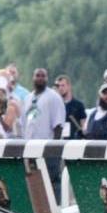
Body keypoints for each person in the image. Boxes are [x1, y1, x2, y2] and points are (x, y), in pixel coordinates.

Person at [20, 68, 66, 200]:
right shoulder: (28, 98)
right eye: (37, 76)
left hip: (48, 148)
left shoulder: (53, 97)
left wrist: (54, 148)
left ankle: (57, 207)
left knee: (51, 181)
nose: (40, 78)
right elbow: (24, 123)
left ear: (47, 79)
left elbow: (58, 125)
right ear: (33, 78)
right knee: (34, 181)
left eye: (43, 76)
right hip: (30, 148)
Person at [56, 74, 87, 139]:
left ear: (69, 86)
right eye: (58, 86)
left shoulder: (78, 105)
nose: (60, 88)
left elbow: (84, 126)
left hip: (74, 143)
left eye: (63, 85)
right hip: (58, 142)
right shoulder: (55, 106)